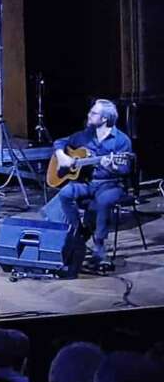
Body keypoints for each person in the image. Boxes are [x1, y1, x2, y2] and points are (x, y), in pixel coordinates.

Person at [53, 98, 132, 264]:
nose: (89, 115)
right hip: (88, 182)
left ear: (104, 119)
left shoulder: (122, 140)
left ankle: (99, 244)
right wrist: (62, 155)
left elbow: (125, 170)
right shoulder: (85, 135)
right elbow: (60, 142)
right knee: (65, 193)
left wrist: (111, 167)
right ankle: (79, 232)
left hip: (111, 183)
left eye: (94, 113)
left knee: (103, 201)